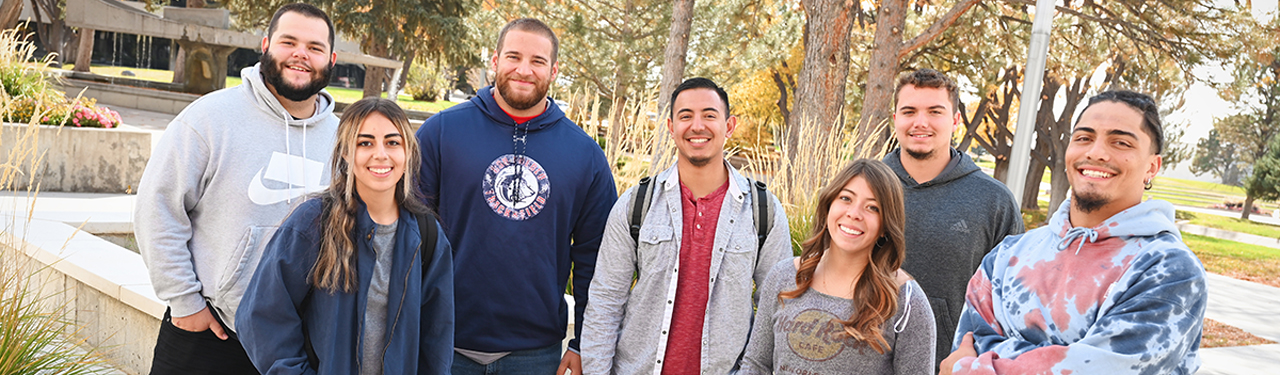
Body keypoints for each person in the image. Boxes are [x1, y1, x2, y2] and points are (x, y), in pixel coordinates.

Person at [134, 3, 338, 374]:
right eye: (288, 41)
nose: (300, 55)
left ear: (331, 59)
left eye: (314, 47)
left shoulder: (342, 140)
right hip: (209, 332)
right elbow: (157, 209)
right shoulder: (210, 118)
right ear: (265, 45)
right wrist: (186, 303)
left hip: (295, 343)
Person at [941, 90, 1207, 375]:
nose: (1096, 152)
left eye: (1120, 142)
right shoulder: (1007, 256)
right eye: (1084, 138)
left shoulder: (1170, 270)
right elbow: (967, 344)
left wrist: (981, 365)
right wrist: (1068, 357)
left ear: (1152, 167)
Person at [414, 18, 617, 375]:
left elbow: (595, 260)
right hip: (443, 342)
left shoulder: (584, 155)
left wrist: (583, 341)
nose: (524, 70)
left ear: (553, 70)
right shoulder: (441, 132)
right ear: (494, 61)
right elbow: (406, 234)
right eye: (513, 57)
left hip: (534, 354)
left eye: (537, 61)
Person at [580, 77, 792, 374]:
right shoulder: (636, 205)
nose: (697, 126)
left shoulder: (762, 210)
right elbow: (605, 300)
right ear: (671, 127)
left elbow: (777, 311)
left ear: (729, 126)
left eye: (709, 115)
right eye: (685, 116)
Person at [236, 98, 454, 374]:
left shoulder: (426, 235)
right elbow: (263, 315)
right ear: (346, 154)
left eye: (392, 142)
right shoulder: (313, 223)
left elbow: (437, 334)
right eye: (365, 143)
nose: (380, 154)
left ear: (408, 152)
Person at [738, 159, 935, 375]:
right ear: (829, 204)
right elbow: (756, 365)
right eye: (846, 198)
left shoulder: (905, 301)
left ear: (885, 226)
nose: (854, 213)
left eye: (873, 207)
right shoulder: (784, 276)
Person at [881, 68, 1023, 365]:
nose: (921, 122)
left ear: (956, 120)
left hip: (949, 365)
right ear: (895, 119)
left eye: (935, 111)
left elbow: (1013, 299)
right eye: (909, 111)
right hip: (862, 360)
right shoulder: (862, 189)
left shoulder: (993, 201)